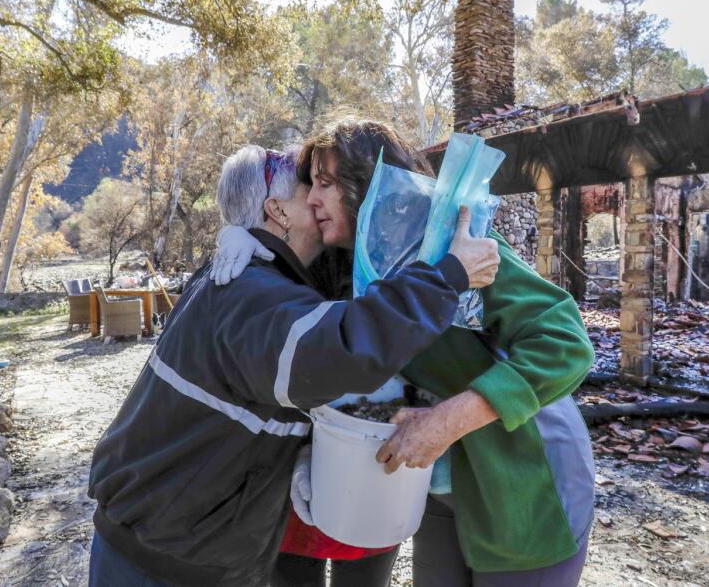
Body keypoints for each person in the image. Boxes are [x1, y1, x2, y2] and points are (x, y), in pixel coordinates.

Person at [86, 144, 500, 586]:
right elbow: (344, 349)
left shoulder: (246, 275)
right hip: (164, 560)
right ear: (276, 210)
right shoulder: (251, 294)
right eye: (310, 185)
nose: (320, 197)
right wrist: (449, 275)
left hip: (172, 541)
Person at [214, 117, 596, 586]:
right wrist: (242, 234)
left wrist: (446, 421)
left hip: (525, 475)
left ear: (369, 184)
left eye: (326, 184)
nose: (311, 199)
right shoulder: (350, 263)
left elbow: (565, 342)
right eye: (310, 185)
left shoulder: (451, 244)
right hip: (445, 482)